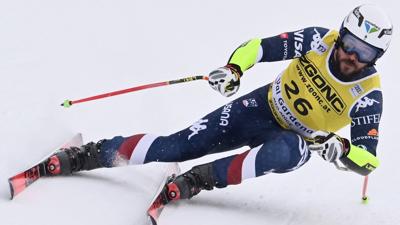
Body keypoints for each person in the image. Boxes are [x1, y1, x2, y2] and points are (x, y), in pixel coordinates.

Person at [44, 4, 392, 203]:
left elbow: (368, 161)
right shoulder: (319, 39)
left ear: (377, 56)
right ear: (341, 33)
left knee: (285, 150)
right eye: (349, 43)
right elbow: (260, 46)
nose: (350, 56)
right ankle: (89, 154)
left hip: (295, 142)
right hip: (259, 108)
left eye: (365, 53)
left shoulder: (367, 95)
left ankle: (201, 179)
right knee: (178, 145)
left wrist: (342, 148)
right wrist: (233, 68)